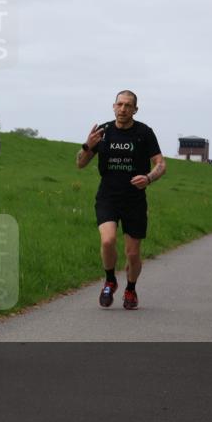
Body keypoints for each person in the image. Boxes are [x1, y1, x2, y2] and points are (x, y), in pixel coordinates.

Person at [77, 90, 165, 310]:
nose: (123, 109)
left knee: (132, 253)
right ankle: (110, 280)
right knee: (107, 241)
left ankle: (131, 289)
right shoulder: (103, 132)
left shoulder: (144, 133)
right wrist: (87, 145)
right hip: (108, 196)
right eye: (120, 104)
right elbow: (80, 163)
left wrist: (148, 177)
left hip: (134, 199)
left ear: (135, 109)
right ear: (113, 106)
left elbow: (160, 163)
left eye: (128, 105)